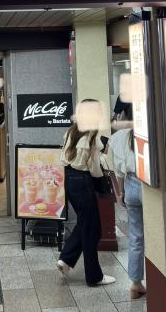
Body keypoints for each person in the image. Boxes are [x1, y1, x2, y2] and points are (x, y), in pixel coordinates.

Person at [57, 99, 115, 286]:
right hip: (83, 181)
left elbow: (64, 158)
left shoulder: (71, 131)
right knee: (92, 230)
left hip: (69, 179)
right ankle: (94, 276)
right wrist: (101, 180)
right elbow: (95, 167)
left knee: (85, 223)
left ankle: (66, 259)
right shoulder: (92, 134)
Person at [108, 118, 146, 299]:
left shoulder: (119, 137)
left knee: (136, 237)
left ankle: (135, 284)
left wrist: (121, 192)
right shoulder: (149, 133)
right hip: (149, 185)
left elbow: (119, 171)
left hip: (130, 185)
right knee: (158, 236)